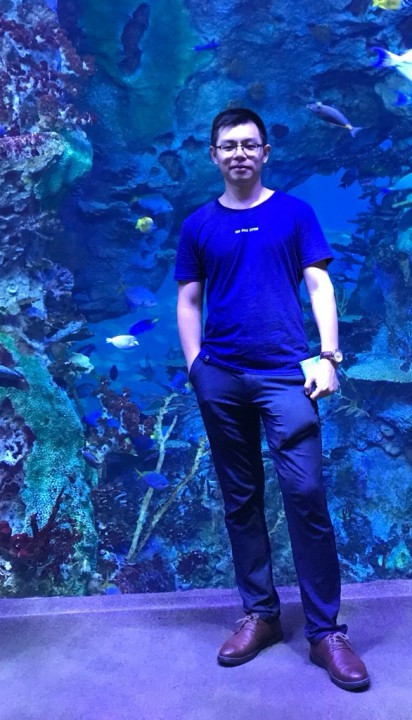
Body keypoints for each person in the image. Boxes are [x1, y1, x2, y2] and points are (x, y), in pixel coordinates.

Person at [174, 108, 369, 691]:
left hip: (287, 375)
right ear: (213, 154)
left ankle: (325, 632)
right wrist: (196, 368)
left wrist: (329, 356)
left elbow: (319, 283)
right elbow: (189, 300)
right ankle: (260, 614)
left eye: (249, 144)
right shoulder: (198, 225)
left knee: (305, 495)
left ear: (265, 152)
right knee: (241, 498)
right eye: (228, 145)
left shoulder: (294, 213)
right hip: (222, 377)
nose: (239, 153)